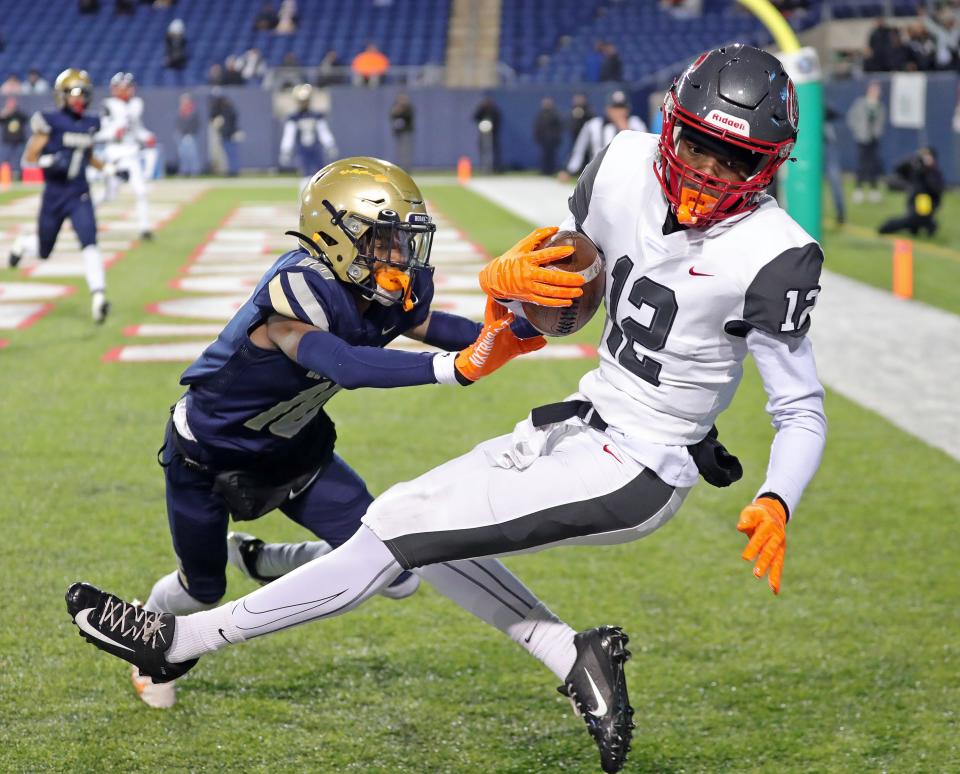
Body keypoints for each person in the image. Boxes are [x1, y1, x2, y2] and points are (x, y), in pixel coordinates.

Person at [68, 45, 827, 773]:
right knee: (422, 534)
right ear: (672, 125)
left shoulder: (774, 251)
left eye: (735, 161)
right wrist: (512, 292)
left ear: (771, 164)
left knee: (396, 527)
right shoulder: (624, 163)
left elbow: (800, 408)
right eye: (697, 146)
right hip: (578, 419)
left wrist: (776, 496)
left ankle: (179, 639)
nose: (706, 172)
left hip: (639, 466)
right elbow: (567, 296)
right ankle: (574, 656)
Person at [64, 156, 560, 711]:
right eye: (386, 238)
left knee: (394, 573)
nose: (400, 253)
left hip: (299, 454)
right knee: (202, 590)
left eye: (403, 239)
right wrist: (454, 368)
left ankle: (262, 560)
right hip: (207, 461)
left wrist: (506, 333)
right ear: (338, 235)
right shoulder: (297, 290)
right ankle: (151, 642)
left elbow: (425, 325)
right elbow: (345, 363)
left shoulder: (384, 289)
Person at [8, 69, 114, 323]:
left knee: (89, 240)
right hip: (54, 194)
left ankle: (98, 297)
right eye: (74, 93)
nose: (79, 99)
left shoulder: (89, 123)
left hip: (79, 192)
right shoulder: (49, 121)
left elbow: (86, 154)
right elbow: (28, 159)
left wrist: (106, 168)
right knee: (44, 251)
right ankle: (23, 245)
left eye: (83, 94)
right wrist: (49, 161)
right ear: (62, 95)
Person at [97, 72, 156, 240]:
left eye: (129, 87)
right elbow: (101, 133)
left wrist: (147, 136)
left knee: (141, 191)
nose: (127, 90)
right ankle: (87, 210)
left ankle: (145, 228)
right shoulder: (109, 105)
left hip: (131, 154)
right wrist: (114, 132)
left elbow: (136, 129)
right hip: (115, 155)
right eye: (123, 87)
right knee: (109, 195)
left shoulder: (136, 104)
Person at [561, 90, 646, 180]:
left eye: (621, 108)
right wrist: (570, 171)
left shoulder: (636, 124)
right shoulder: (593, 125)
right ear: (607, 109)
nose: (618, 112)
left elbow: (644, 150)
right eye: (615, 108)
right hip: (598, 177)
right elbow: (579, 150)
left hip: (627, 177)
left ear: (628, 110)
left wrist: (626, 130)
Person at [279, 84, 337, 189]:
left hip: (316, 148)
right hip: (302, 150)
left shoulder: (316, 116)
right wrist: (286, 150)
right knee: (305, 176)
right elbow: (289, 136)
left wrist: (330, 144)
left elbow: (324, 132)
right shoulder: (294, 117)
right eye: (302, 101)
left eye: (305, 100)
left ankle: (321, 200)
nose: (304, 103)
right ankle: (304, 200)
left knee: (321, 175)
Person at [878, 146, 944, 236]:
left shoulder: (934, 173)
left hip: (926, 201)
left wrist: (927, 171)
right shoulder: (915, 167)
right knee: (914, 222)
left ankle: (928, 225)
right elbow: (898, 169)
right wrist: (912, 160)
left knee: (917, 219)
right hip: (913, 200)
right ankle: (927, 225)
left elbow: (936, 189)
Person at [846, 80, 885, 204]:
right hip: (862, 138)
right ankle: (859, 189)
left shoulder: (880, 106)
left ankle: (874, 190)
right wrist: (858, 131)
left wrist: (877, 133)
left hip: (874, 139)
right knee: (861, 164)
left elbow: (881, 122)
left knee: (873, 164)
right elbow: (851, 117)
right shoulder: (860, 103)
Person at [210, 89, 241, 176]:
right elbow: (212, 117)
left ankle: (233, 171)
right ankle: (232, 170)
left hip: (229, 135)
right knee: (228, 154)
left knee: (232, 153)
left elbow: (232, 122)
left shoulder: (229, 110)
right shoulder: (220, 109)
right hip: (224, 135)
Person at [533, 96, 563, 176]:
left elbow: (559, 127)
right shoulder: (541, 114)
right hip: (543, 139)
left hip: (552, 139)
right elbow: (537, 126)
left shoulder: (555, 114)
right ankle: (544, 170)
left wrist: (556, 137)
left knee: (552, 155)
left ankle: (552, 170)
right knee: (544, 155)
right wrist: (537, 136)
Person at [473, 94, 501, 174]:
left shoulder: (494, 111)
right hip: (483, 135)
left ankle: (494, 168)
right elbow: (474, 117)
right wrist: (481, 108)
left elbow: (498, 120)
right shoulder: (482, 110)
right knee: (483, 151)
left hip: (493, 135)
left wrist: (492, 126)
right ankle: (484, 167)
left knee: (493, 151)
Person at [0, 96, 27, 179]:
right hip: (8, 142)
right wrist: (5, 113)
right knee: (5, 159)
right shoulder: (6, 115)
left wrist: (14, 111)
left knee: (19, 160)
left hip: (19, 141)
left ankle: (18, 176)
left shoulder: (18, 114)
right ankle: (5, 176)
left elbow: (25, 118)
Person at [175, 93, 200, 177]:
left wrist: (190, 133)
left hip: (190, 135)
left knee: (192, 155)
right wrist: (179, 132)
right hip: (180, 136)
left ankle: (194, 171)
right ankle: (183, 171)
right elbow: (178, 123)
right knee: (182, 155)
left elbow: (196, 124)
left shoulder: (193, 111)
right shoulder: (180, 111)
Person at [389, 92, 414, 172]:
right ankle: (399, 167)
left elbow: (408, 117)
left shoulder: (408, 108)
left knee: (406, 152)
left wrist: (401, 110)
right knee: (399, 152)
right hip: (398, 133)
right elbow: (391, 116)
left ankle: (406, 168)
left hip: (406, 133)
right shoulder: (395, 107)